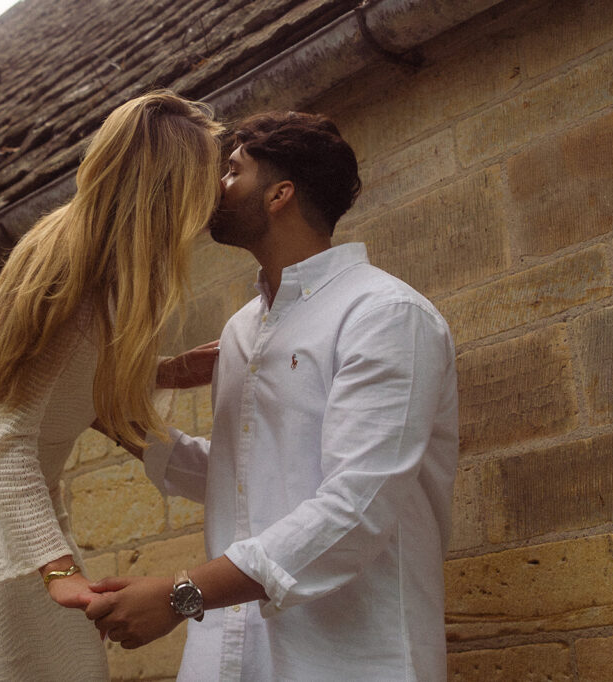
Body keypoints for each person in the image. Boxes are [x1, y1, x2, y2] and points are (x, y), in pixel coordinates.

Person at [84, 111, 460, 680]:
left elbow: (354, 508)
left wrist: (179, 596)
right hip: (229, 658)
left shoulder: (385, 315)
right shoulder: (241, 329)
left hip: (351, 657)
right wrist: (97, 406)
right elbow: (236, 475)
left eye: (232, 171)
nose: (214, 188)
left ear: (279, 194)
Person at [0, 91, 223, 681]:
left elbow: (72, 374)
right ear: (167, 189)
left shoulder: (120, 272)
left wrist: (167, 371)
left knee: (71, 663)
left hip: (20, 486)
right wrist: (57, 567)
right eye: (206, 178)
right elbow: (8, 440)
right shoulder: (72, 268)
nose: (215, 193)